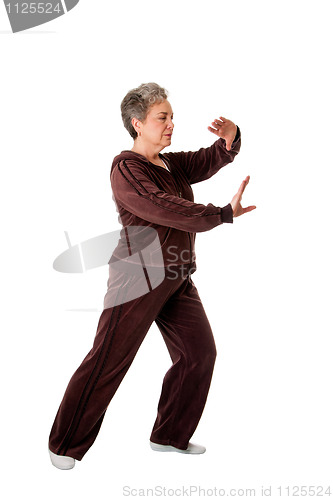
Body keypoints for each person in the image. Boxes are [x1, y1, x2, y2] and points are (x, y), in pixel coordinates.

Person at [48, 82, 256, 470]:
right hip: (136, 279)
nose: (171, 124)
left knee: (199, 354)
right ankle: (63, 445)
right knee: (108, 361)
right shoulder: (126, 169)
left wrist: (229, 140)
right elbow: (164, 207)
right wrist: (221, 214)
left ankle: (170, 435)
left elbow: (205, 160)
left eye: (172, 117)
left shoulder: (170, 164)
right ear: (137, 123)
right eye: (162, 118)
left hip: (177, 276)